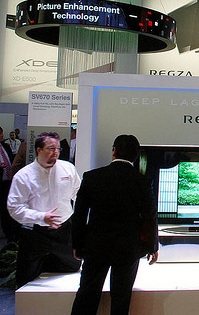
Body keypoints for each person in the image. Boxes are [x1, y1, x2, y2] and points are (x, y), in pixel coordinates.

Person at [70, 134, 158, 315]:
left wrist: (77, 244)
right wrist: (152, 246)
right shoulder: (142, 182)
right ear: (136, 155)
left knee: (87, 295)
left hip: (96, 246)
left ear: (114, 151)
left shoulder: (92, 177)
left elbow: (79, 215)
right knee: (121, 298)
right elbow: (149, 217)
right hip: (128, 247)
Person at [7, 131, 82, 288]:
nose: (55, 152)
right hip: (36, 233)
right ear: (39, 150)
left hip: (63, 230)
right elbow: (14, 207)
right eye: (51, 148)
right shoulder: (24, 176)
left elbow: (78, 193)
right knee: (26, 277)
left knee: (72, 267)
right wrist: (41, 216)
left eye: (58, 149)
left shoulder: (68, 168)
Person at [1, 127, 20, 243]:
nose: (2, 136)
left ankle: (10, 235)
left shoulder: (5, 146)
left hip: (8, 181)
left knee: (7, 208)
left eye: (2, 133)